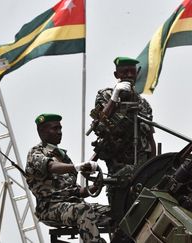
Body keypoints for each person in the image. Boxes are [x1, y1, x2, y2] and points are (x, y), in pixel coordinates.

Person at [88, 56, 156, 222]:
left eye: (131, 71)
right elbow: (100, 124)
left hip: (142, 167)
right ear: (116, 74)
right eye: (124, 71)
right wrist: (115, 96)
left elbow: (150, 136)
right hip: (118, 170)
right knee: (122, 216)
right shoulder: (105, 95)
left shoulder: (143, 104)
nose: (128, 75)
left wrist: (154, 167)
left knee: (144, 217)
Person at [25, 113, 111, 243]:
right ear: (41, 131)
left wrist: (96, 186)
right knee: (83, 210)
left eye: (60, 128)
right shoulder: (36, 153)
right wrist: (77, 167)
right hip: (50, 208)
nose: (59, 132)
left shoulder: (63, 157)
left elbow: (76, 192)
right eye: (55, 128)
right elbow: (51, 166)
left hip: (73, 205)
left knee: (115, 212)